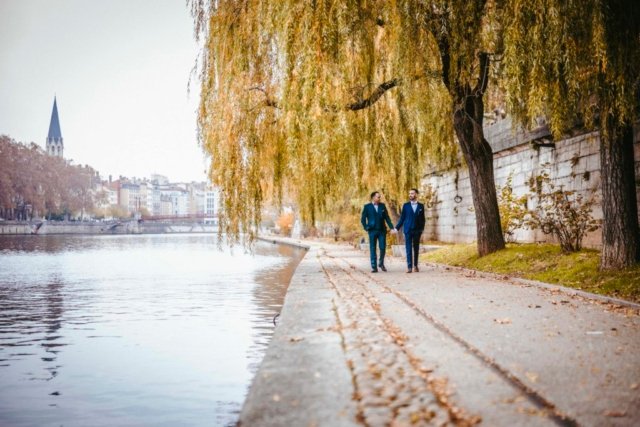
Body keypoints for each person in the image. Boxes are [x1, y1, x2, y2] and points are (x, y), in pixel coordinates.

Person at [361, 191, 394, 273]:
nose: (379, 198)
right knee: (372, 248)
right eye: (378, 197)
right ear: (373, 197)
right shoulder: (367, 207)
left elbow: (387, 217)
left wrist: (391, 227)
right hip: (372, 231)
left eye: (380, 197)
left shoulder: (382, 206)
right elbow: (363, 219)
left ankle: (381, 263)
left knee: (382, 248)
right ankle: (374, 267)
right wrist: (366, 227)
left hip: (382, 230)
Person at [395, 188, 425, 273]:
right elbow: (402, 218)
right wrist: (397, 228)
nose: (410, 195)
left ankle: (415, 265)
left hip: (417, 231)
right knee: (408, 248)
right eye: (409, 193)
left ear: (416, 194)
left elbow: (423, 219)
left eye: (412, 193)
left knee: (416, 248)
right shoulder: (406, 206)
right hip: (408, 230)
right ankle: (409, 267)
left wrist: (421, 229)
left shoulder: (421, 206)